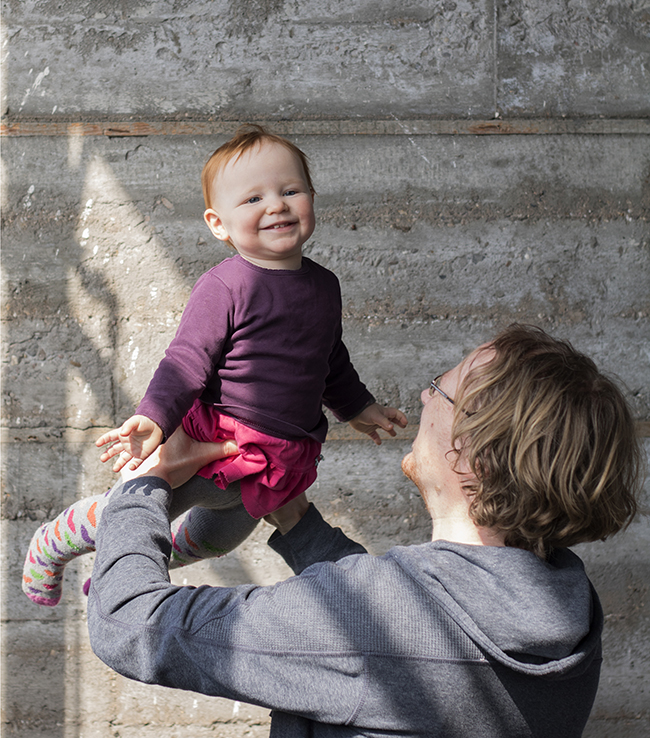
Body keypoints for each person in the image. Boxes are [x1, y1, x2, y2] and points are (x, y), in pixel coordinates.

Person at [87, 323, 642, 738]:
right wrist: (297, 520)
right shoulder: (571, 615)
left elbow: (129, 623)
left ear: (477, 456)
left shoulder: (371, 620)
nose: (424, 398)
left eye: (439, 390)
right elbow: (402, 623)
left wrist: (145, 484)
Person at [22, 125, 406, 606]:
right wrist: (155, 418)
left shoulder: (324, 285)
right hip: (214, 439)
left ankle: (118, 574)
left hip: (279, 456)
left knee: (217, 540)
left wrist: (358, 407)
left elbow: (329, 359)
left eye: (291, 191)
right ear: (218, 223)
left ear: (311, 198)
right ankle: (56, 540)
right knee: (138, 513)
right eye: (253, 199)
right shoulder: (226, 286)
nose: (277, 205)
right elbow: (186, 361)